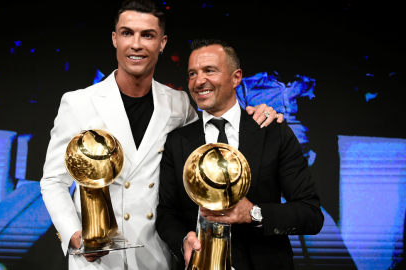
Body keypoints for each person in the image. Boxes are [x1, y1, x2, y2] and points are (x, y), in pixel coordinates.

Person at [40, 1, 283, 269]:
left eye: (147, 35)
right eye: (127, 33)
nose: (136, 44)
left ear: (162, 42)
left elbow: (216, 133)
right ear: (114, 39)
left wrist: (258, 112)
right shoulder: (78, 103)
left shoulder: (179, 103)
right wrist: (75, 236)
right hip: (98, 259)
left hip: (156, 256)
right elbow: (53, 181)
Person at [156, 39, 324, 269]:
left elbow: (311, 214)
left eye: (209, 70)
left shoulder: (272, 132)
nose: (199, 81)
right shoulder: (178, 141)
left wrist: (253, 214)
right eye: (192, 74)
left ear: (236, 77)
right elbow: (166, 213)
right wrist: (183, 241)